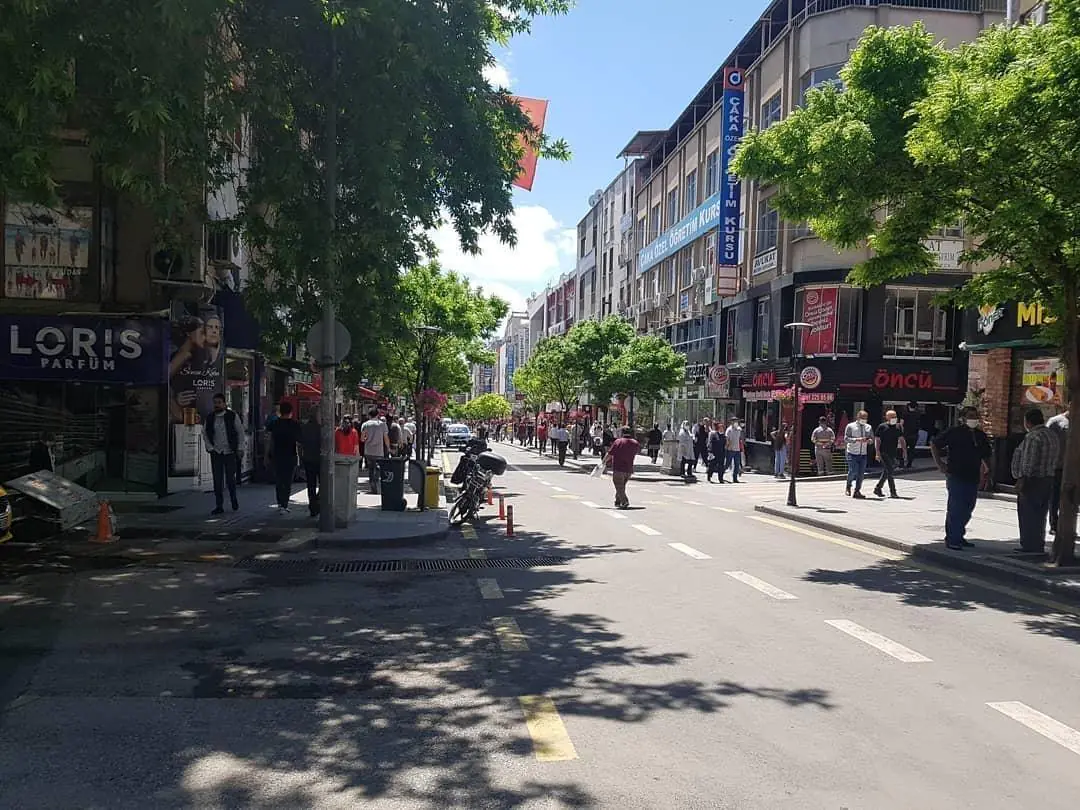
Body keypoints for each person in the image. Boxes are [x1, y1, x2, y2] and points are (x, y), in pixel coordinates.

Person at [931, 406, 992, 551]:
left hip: (972, 476)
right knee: (956, 508)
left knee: (968, 508)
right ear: (963, 418)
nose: (974, 419)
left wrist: (987, 471)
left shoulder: (980, 435)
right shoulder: (954, 432)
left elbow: (986, 455)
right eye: (970, 416)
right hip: (956, 475)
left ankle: (959, 535)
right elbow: (934, 444)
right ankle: (952, 538)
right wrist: (940, 464)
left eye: (975, 416)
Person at [1011, 408, 1060, 554]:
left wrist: (1022, 480)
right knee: (1040, 513)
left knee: (1028, 513)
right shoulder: (1052, 435)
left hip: (1033, 480)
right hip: (1048, 478)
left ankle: (1029, 544)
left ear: (1028, 421)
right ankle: (1038, 542)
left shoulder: (1033, 436)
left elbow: (1029, 462)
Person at [204, 393, 243, 514]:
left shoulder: (232, 416)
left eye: (219, 402)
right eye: (215, 402)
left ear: (225, 404)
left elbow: (240, 432)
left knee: (231, 478)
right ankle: (219, 505)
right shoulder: (210, 417)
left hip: (229, 451)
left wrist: (240, 448)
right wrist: (210, 448)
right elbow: (205, 433)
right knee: (217, 480)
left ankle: (233, 499)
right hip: (216, 452)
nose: (217, 405)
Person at [266, 401, 301, 512]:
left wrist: (266, 454)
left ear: (280, 412)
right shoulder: (295, 425)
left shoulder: (274, 424)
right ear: (291, 412)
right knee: (287, 481)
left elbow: (269, 439)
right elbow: (299, 441)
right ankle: (284, 503)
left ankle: (280, 502)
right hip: (290, 455)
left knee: (279, 480)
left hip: (277, 455)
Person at [604, 426, 641, 509]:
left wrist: (603, 462)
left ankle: (624, 501)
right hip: (629, 469)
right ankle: (618, 501)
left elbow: (610, 454)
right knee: (621, 486)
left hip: (618, 468)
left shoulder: (618, 442)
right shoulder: (635, 443)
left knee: (619, 485)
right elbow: (637, 451)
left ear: (622, 432)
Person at [873, 409, 907, 499]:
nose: (894, 418)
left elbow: (901, 439)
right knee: (890, 472)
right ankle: (893, 491)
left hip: (893, 452)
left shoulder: (898, 427)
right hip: (883, 452)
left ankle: (878, 488)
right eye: (892, 417)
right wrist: (877, 452)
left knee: (888, 471)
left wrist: (904, 451)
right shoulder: (882, 427)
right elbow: (877, 440)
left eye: (895, 416)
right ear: (887, 417)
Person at [1046, 408, 1070, 535]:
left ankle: (1067, 525)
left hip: (1072, 467)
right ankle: (1054, 524)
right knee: (1055, 497)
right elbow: (1046, 440)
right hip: (1057, 466)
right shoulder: (1056, 421)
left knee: (1070, 496)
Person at [844, 410, 874, 498]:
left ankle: (857, 491)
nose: (864, 420)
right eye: (862, 418)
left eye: (865, 418)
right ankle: (848, 485)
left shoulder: (868, 427)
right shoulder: (850, 426)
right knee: (853, 471)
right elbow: (846, 438)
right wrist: (856, 440)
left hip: (863, 453)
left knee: (861, 474)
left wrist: (869, 441)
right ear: (858, 417)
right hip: (852, 452)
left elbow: (872, 438)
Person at [360, 408, 390, 494]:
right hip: (379, 451)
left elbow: (362, 439)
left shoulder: (365, 424)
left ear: (369, 415)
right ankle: (376, 482)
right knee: (377, 468)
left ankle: (372, 483)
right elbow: (385, 438)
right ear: (377, 415)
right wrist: (388, 447)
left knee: (370, 468)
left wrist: (367, 438)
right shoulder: (382, 424)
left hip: (368, 451)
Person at [300, 411, 322, 517]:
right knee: (324, 484)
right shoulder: (321, 428)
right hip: (320, 459)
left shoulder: (304, 428)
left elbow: (300, 443)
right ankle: (317, 502)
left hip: (308, 459)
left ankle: (313, 506)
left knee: (311, 485)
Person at [725, 417, 745, 483]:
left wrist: (741, 448)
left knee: (737, 464)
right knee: (727, 464)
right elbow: (727, 439)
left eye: (736, 421)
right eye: (734, 421)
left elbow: (740, 439)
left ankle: (735, 478)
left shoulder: (739, 429)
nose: (736, 422)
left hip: (737, 450)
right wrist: (727, 447)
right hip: (730, 449)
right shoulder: (729, 430)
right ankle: (721, 474)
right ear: (731, 422)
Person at [902, 402, 921, 468]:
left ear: (909, 406)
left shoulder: (905, 414)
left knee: (903, 448)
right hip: (914, 434)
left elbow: (902, 424)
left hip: (906, 434)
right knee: (912, 449)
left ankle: (901, 463)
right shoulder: (918, 414)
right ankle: (909, 464)